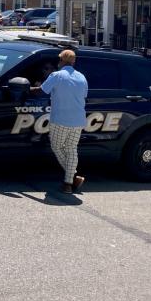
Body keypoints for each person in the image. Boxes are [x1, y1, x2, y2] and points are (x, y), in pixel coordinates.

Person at [31, 49, 88, 193]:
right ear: (73, 62)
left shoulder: (56, 75)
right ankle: (68, 183)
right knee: (71, 149)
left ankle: (74, 176)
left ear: (61, 61)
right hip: (79, 120)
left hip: (60, 119)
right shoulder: (82, 77)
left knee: (57, 147)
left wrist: (29, 88)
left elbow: (41, 91)